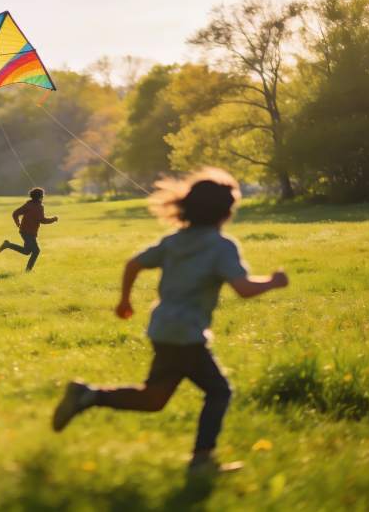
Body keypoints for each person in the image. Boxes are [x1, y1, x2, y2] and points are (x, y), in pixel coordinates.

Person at [51, 167, 289, 473]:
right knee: (219, 391)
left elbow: (133, 264)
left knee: (154, 399)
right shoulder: (221, 246)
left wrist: (124, 300)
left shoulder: (174, 241)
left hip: (162, 329)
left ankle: (87, 395)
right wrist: (273, 281)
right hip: (186, 334)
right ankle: (202, 460)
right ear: (226, 211)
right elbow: (243, 289)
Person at [0, 187, 58, 271]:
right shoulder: (39, 207)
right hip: (28, 233)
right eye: (43, 195)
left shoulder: (28, 205)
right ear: (40, 197)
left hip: (25, 231)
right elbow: (42, 220)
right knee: (36, 251)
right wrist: (54, 219)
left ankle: (8, 245)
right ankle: (28, 270)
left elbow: (15, 213)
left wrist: (18, 223)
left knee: (27, 251)